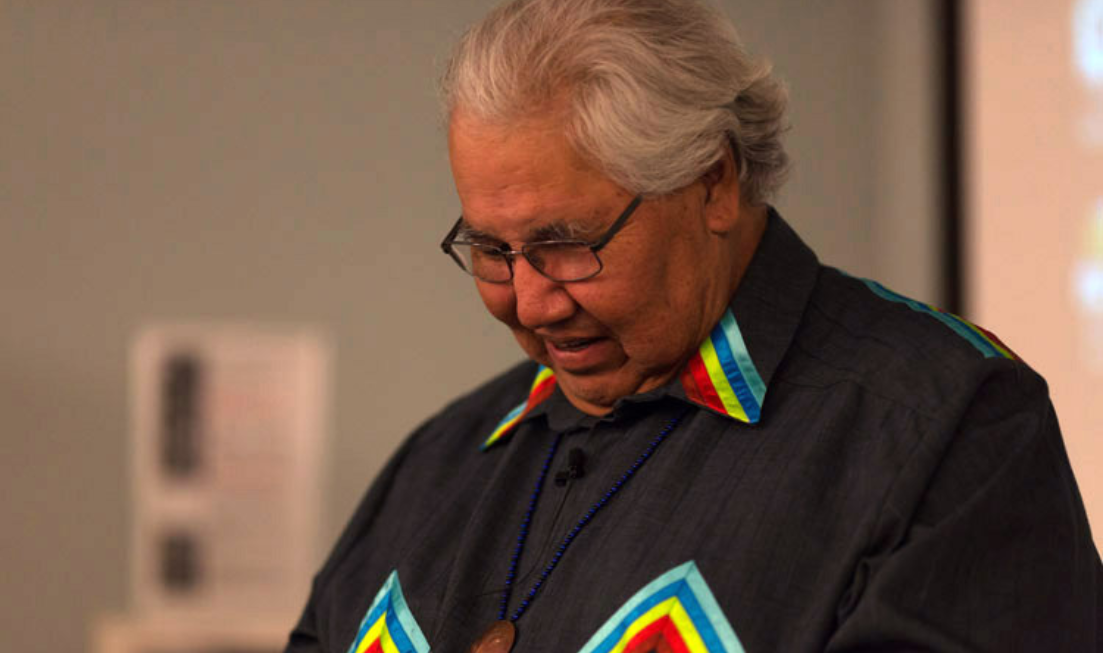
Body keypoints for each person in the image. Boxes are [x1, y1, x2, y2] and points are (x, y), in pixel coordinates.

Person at [287, 0, 1102, 651]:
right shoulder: (440, 459)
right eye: (491, 250)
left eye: (566, 245)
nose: (529, 302)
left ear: (712, 182)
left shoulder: (944, 423)